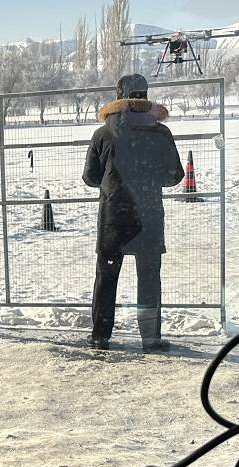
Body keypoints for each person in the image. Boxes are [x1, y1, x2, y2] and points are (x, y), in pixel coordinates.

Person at [82, 74, 185, 351]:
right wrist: (149, 179)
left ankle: (100, 335)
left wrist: (113, 182)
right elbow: (175, 175)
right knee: (149, 278)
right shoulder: (161, 133)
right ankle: (150, 338)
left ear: (119, 96)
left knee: (106, 277)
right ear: (145, 95)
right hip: (148, 216)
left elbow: (90, 177)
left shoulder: (103, 133)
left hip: (113, 216)